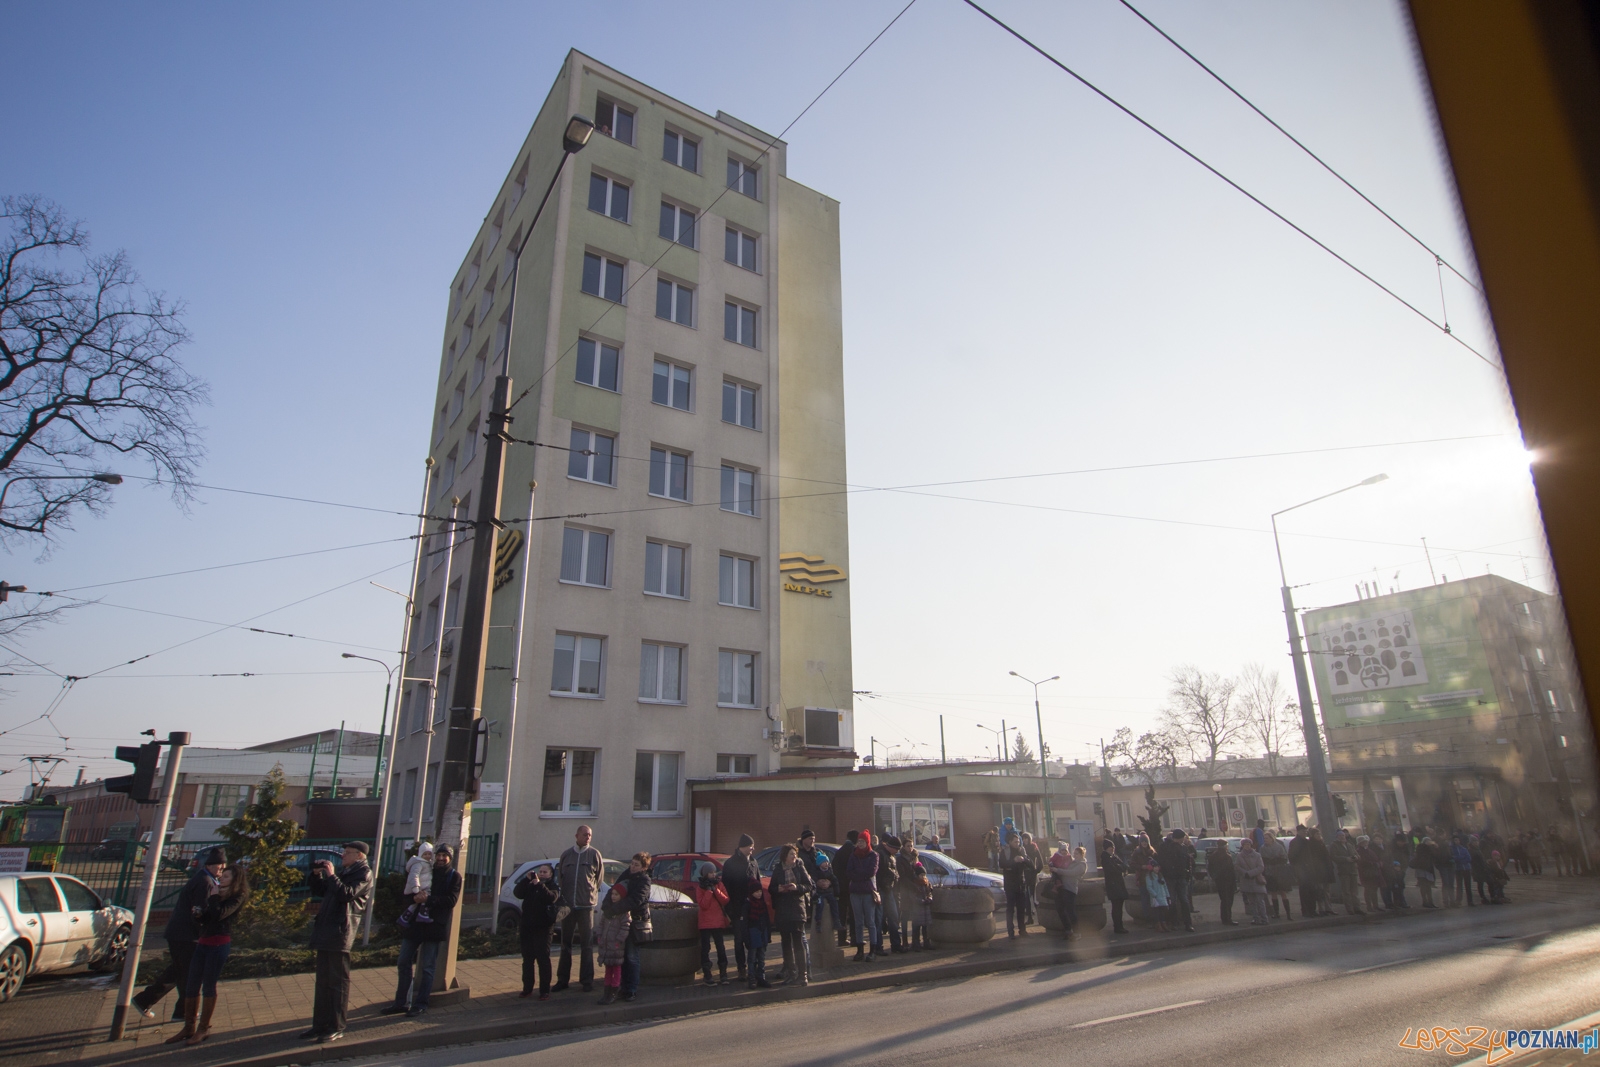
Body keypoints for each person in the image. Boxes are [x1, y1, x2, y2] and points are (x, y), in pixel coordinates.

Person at [135, 847, 223, 1029]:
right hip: (186, 935)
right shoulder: (205, 882)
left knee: (177, 971)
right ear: (211, 865)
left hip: (180, 933)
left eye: (223, 865)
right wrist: (202, 934)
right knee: (189, 974)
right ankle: (182, 1011)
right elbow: (198, 911)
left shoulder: (204, 879)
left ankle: (144, 1000)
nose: (222, 868)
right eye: (220, 865)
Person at [302, 841, 374, 1044]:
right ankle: (320, 1025)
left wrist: (332, 875)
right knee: (323, 981)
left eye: (347, 852)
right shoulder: (346, 872)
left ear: (359, 855)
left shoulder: (364, 874)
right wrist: (317, 874)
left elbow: (346, 894)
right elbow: (322, 891)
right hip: (327, 930)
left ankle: (336, 1026)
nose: (342, 855)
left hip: (341, 932)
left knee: (337, 983)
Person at [382, 843, 460, 1019]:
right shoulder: (425, 869)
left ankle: (421, 1003)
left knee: (427, 967)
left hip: (434, 926)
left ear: (450, 858)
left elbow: (451, 900)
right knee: (403, 961)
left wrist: (429, 899)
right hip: (415, 924)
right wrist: (415, 897)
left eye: (444, 856)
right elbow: (409, 891)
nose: (440, 858)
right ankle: (401, 1002)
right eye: (438, 855)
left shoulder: (454, 877)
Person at [179, 859, 249, 1045]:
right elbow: (209, 918)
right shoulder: (216, 893)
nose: (221, 877)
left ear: (235, 880)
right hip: (203, 942)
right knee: (191, 984)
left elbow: (220, 914)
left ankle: (203, 1028)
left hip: (218, 945)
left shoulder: (237, 897)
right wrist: (200, 914)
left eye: (226, 876)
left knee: (208, 985)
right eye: (222, 875)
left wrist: (214, 898)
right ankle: (188, 1026)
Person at [554, 825, 604, 994]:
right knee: (565, 944)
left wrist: (588, 895)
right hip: (568, 907)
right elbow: (561, 878)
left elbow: (598, 879)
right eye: (584, 834)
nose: (587, 837)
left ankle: (587, 980)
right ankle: (562, 980)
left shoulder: (594, 855)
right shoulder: (566, 855)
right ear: (576, 835)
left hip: (586, 906)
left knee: (587, 945)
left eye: (590, 835)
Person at [512, 863, 559, 999]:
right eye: (540, 872)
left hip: (543, 928)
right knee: (527, 959)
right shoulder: (530, 885)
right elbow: (518, 893)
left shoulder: (552, 887)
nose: (542, 874)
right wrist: (526, 880)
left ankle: (544, 990)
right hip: (527, 927)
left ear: (550, 874)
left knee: (543, 959)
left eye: (545, 872)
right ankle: (527, 988)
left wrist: (540, 885)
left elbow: (551, 898)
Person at [770, 844, 814, 985]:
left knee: (798, 942)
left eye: (795, 854)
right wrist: (778, 889)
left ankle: (803, 976)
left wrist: (797, 888)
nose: (794, 857)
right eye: (791, 854)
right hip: (783, 910)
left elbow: (809, 885)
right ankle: (790, 973)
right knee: (786, 943)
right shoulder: (778, 869)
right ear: (784, 856)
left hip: (797, 908)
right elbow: (771, 888)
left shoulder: (799, 867)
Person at [721, 834, 761, 979]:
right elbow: (725, 887)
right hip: (737, 908)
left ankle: (753, 967)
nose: (753, 849)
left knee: (753, 939)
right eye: (751, 846)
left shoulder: (754, 863)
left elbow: (758, 885)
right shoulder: (730, 864)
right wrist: (729, 909)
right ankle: (741, 968)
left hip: (752, 909)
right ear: (743, 846)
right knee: (739, 940)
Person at [594, 879, 633, 1004]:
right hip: (606, 946)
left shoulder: (623, 913)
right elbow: (601, 924)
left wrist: (619, 940)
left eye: (616, 894)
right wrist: (599, 935)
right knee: (607, 970)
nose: (613, 897)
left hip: (616, 946)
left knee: (616, 970)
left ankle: (614, 992)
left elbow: (625, 927)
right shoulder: (608, 911)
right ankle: (606, 992)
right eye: (612, 894)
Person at [844, 830, 881, 961]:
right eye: (858, 841)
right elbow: (849, 872)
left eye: (862, 841)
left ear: (867, 842)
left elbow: (871, 871)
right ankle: (859, 949)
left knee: (870, 922)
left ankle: (873, 950)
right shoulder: (853, 856)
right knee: (858, 921)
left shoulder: (874, 855)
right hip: (855, 892)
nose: (860, 844)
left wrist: (858, 875)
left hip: (868, 892)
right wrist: (861, 875)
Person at [695, 866, 731, 986]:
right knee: (705, 948)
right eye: (710, 872)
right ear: (705, 874)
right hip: (705, 922)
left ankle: (723, 973)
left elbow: (725, 900)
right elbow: (703, 904)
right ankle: (707, 974)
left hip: (718, 921)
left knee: (720, 947)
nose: (713, 874)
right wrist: (709, 892)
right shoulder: (700, 887)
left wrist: (715, 890)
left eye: (714, 872)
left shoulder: (719, 884)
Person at [1156, 829, 1195, 932]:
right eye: (1182, 838)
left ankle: (1185, 923)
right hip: (1171, 877)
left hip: (1180, 877)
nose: (1183, 840)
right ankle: (1175, 923)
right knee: (1173, 901)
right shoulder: (1166, 847)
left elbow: (1187, 862)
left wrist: (1187, 875)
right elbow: (1162, 862)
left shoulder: (1183, 848)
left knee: (1182, 900)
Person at [1000, 832, 1033, 938]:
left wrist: (1024, 859)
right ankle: (1010, 931)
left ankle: (1022, 930)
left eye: (1019, 841)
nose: (1017, 843)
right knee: (1010, 908)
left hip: (1021, 884)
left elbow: (1031, 864)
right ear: (1009, 842)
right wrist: (1013, 861)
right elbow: (1002, 864)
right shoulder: (1005, 852)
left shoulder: (1022, 851)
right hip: (1010, 884)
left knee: (1021, 908)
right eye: (1015, 842)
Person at [1051, 845, 1088, 940]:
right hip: (1063, 888)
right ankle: (1068, 929)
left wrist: (1058, 870)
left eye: (1077, 853)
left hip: (1070, 889)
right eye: (1074, 853)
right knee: (1060, 909)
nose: (1074, 855)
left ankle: (1077, 932)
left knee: (1070, 911)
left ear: (1081, 855)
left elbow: (1071, 873)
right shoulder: (1072, 861)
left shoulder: (1082, 864)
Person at [396, 841, 435, 931]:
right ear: (421, 854)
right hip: (419, 887)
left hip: (423, 886)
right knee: (425, 896)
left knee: (415, 903)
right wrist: (416, 888)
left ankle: (404, 917)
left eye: (429, 854)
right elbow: (414, 875)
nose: (428, 856)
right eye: (425, 854)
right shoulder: (418, 863)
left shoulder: (428, 863)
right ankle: (423, 913)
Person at [743, 880, 775, 988]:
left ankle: (761, 977)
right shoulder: (747, 905)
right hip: (753, 933)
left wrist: (768, 935)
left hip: (762, 933)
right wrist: (746, 938)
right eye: (756, 892)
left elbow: (767, 920)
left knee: (762, 957)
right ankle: (752, 978)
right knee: (752, 958)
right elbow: (745, 924)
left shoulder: (763, 904)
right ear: (751, 893)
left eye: (760, 891)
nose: (759, 893)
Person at [876, 834, 904, 954]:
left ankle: (896, 945)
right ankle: (879, 947)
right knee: (880, 919)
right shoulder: (880, 855)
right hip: (882, 890)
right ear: (891, 847)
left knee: (893, 917)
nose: (897, 851)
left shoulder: (891, 856)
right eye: (896, 849)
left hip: (889, 890)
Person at [1260, 830, 1293, 920]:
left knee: (1283, 892)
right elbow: (1263, 860)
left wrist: (1275, 860)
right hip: (1270, 873)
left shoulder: (1279, 847)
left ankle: (1288, 914)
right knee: (1273, 893)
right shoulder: (1263, 848)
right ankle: (1276, 913)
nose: (1265, 840)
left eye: (1267, 838)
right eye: (1264, 838)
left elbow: (1284, 858)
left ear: (1272, 838)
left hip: (1280, 873)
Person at [1235, 837, 1268, 925]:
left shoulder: (1257, 855)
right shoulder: (1239, 856)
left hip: (1256, 880)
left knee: (1260, 901)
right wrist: (1245, 873)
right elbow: (1237, 867)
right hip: (1246, 881)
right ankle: (1256, 918)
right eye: (1245, 844)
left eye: (1248, 844)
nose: (1247, 846)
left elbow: (1261, 867)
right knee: (1252, 902)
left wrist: (1250, 873)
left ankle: (1264, 918)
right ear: (1242, 846)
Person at [1328, 829, 1362, 915]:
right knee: (1346, 891)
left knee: (1354, 891)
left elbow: (1357, 854)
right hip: (1344, 871)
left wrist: (1356, 858)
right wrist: (1345, 859)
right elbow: (1334, 856)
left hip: (1353, 870)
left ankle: (1357, 908)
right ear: (1337, 837)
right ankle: (1350, 909)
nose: (1342, 837)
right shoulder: (1334, 845)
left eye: (1343, 835)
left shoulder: (1349, 844)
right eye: (1340, 836)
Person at [1101, 843, 1130, 934]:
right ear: (1106, 849)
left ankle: (1120, 925)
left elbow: (1124, 866)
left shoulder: (1114, 857)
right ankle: (1117, 926)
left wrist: (1121, 867)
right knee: (1116, 906)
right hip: (1113, 884)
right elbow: (1113, 869)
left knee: (1119, 905)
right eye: (1110, 848)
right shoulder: (1106, 858)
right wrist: (1120, 868)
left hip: (1118, 883)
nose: (1112, 849)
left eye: (1113, 847)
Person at [1208, 838, 1238, 925]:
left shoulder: (1213, 856)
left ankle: (1225, 918)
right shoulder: (1226, 856)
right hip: (1228, 881)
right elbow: (1230, 870)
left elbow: (1210, 869)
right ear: (1225, 846)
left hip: (1219, 881)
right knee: (1228, 900)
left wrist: (1215, 877)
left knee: (1224, 900)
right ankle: (1227, 919)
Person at [907, 862, 934, 949]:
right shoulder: (914, 884)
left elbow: (929, 893)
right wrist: (920, 901)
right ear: (917, 875)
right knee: (916, 927)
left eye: (924, 875)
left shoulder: (927, 884)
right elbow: (912, 896)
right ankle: (916, 943)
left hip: (925, 909)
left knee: (925, 928)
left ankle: (926, 942)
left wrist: (929, 898)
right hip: (917, 909)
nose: (923, 876)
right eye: (921, 875)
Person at [1356, 836, 1385, 912]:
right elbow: (1362, 862)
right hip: (1366, 873)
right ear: (1360, 843)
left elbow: (1376, 858)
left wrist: (1379, 863)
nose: (1366, 843)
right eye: (1364, 842)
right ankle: (1369, 906)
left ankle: (1375, 905)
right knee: (1368, 889)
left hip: (1374, 872)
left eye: (1366, 842)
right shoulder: (1359, 851)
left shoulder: (1370, 850)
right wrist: (1374, 864)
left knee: (1374, 889)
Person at [1410, 836, 1439, 909]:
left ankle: (1430, 902)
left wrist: (1434, 847)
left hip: (1428, 869)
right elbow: (1424, 855)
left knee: (1428, 887)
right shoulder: (1421, 847)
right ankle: (1425, 901)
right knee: (1423, 886)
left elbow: (1434, 856)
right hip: (1422, 869)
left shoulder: (1429, 848)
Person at [1146, 860, 1172, 932]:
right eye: (1155, 867)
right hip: (1156, 897)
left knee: (1163, 911)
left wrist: (1167, 895)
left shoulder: (1160, 876)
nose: (1156, 868)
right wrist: (1155, 895)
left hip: (1162, 896)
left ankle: (1163, 923)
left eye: (1157, 867)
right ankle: (1158, 925)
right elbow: (1149, 887)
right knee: (1157, 911)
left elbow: (1165, 886)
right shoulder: (1149, 876)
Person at [1451, 836, 1474, 908]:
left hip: (1466, 868)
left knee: (1468, 886)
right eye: (1455, 840)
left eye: (1457, 840)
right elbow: (1453, 858)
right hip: (1458, 869)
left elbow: (1468, 858)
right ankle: (1458, 900)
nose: (1456, 841)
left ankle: (1470, 901)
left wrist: (1460, 860)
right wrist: (1461, 858)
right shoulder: (1452, 849)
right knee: (1459, 886)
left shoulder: (1464, 849)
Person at [1470, 835, 1491, 904]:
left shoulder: (1478, 849)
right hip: (1478, 870)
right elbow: (1474, 862)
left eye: (1477, 841)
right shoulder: (1471, 850)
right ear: (1472, 843)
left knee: (1490, 882)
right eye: (1474, 841)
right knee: (1480, 884)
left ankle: (1492, 895)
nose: (1476, 843)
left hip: (1483, 869)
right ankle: (1483, 897)